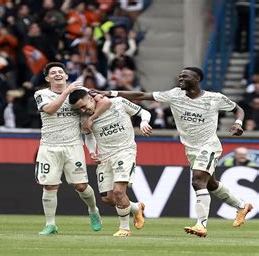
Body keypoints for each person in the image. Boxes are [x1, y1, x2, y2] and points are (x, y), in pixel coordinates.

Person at [97, 67, 254, 237]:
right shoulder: (174, 95)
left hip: (209, 145)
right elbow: (142, 95)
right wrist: (110, 92)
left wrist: (238, 122)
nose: (181, 79)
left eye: (185, 76)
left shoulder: (214, 98)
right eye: (180, 76)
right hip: (191, 148)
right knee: (211, 184)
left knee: (198, 179)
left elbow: (238, 109)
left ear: (197, 79)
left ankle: (201, 225)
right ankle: (241, 206)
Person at [34, 62, 111, 235]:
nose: (57, 74)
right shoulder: (41, 94)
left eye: (60, 71)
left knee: (81, 185)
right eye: (53, 73)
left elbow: (98, 110)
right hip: (49, 146)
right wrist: (66, 93)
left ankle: (93, 210)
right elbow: (50, 110)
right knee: (49, 186)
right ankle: (50, 224)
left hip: (73, 146)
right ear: (47, 78)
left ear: (67, 76)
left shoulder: (79, 93)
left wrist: (92, 146)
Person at [69, 88, 151, 237]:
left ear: (91, 98)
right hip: (105, 157)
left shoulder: (118, 103)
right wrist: (93, 151)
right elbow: (88, 136)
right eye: (79, 109)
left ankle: (124, 229)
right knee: (109, 199)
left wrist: (144, 122)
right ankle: (136, 208)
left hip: (125, 151)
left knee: (119, 191)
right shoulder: (84, 118)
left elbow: (144, 112)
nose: (83, 110)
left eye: (83, 105)